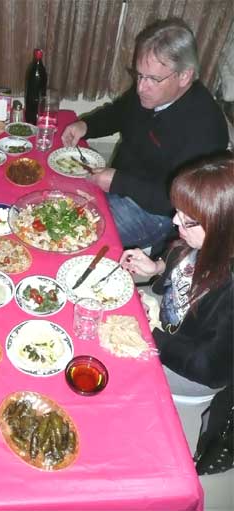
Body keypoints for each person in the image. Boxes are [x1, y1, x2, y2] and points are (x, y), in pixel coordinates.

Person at [62, 18, 229, 250]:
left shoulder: (204, 128)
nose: (141, 87)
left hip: (158, 214)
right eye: (139, 75)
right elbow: (120, 112)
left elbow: (180, 202)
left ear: (184, 76)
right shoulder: (152, 90)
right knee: (56, 191)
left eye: (152, 79)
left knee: (69, 230)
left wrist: (120, 182)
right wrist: (85, 126)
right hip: (121, 184)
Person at [120, 151, 233, 397]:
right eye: (178, 212)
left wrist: (151, 335)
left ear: (222, 226)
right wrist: (157, 267)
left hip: (186, 364)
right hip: (169, 323)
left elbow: (211, 368)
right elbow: (184, 259)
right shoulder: (205, 241)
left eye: (188, 220)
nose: (173, 221)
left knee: (115, 368)